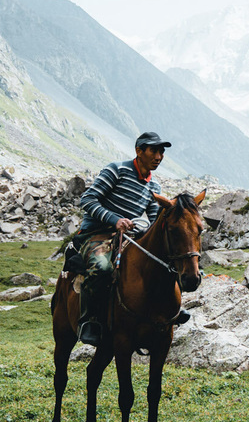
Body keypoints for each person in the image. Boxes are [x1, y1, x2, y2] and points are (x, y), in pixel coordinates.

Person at [71, 131, 182, 347]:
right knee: (102, 268)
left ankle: (168, 312)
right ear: (139, 150)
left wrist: (140, 227)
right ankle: (89, 321)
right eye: (154, 150)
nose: (158, 156)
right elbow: (87, 199)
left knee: (162, 265)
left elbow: (150, 220)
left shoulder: (154, 187)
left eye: (162, 152)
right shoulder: (116, 170)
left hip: (127, 237)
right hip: (97, 234)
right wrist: (115, 220)